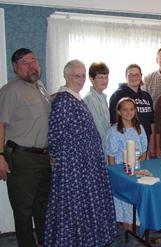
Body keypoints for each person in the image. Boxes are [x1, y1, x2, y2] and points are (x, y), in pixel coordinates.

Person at [45, 59, 117, 246]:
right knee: (75, 208)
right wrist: (58, 157)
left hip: (86, 163)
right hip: (74, 165)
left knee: (86, 206)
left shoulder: (74, 97)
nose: (81, 79)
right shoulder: (64, 101)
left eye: (83, 75)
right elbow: (55, 133)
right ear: (66, 76)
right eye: (77, 75)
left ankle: (89, 239)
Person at [0, 48, 52, 246]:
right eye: (25, 63)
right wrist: (0, 157)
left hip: (43, 157)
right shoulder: (10, 91)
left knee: (42, 205)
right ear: (15, 68)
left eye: (33, 60)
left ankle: (45, 241)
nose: (31, 65)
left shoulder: (40, 87)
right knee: (23, 210)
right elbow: (1, 125)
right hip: (22, 158)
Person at [106, 97, 147, 233]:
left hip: (137, 169)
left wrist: (143, 170)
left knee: (135, 198)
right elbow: (111, 154)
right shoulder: (114, 131)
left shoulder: (139, 128)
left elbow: (144, 150)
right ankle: (126, 225)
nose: (128, 112)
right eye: (125, 109)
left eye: (131, 109)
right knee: (124, 200)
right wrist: (113, 174)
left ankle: (135, 223)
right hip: (121, 171)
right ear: (119, 112)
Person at [109, 64, 155, 157]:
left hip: (143, 144)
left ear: (141, 76)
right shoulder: (118, 95)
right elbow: (114, 121)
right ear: (126, 77)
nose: (134, 77)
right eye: (130, 75)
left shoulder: (146, 96)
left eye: (137, 74)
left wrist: (152, 144)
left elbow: (152, 122)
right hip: (125, 146)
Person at [83, 62, 110, 159]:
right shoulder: (90, 99)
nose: (104, 80)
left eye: (106, 77)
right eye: (100, 77)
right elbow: (99, 129)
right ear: (91, 79)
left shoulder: (103, 98)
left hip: (104, 146)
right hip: (97, 149)